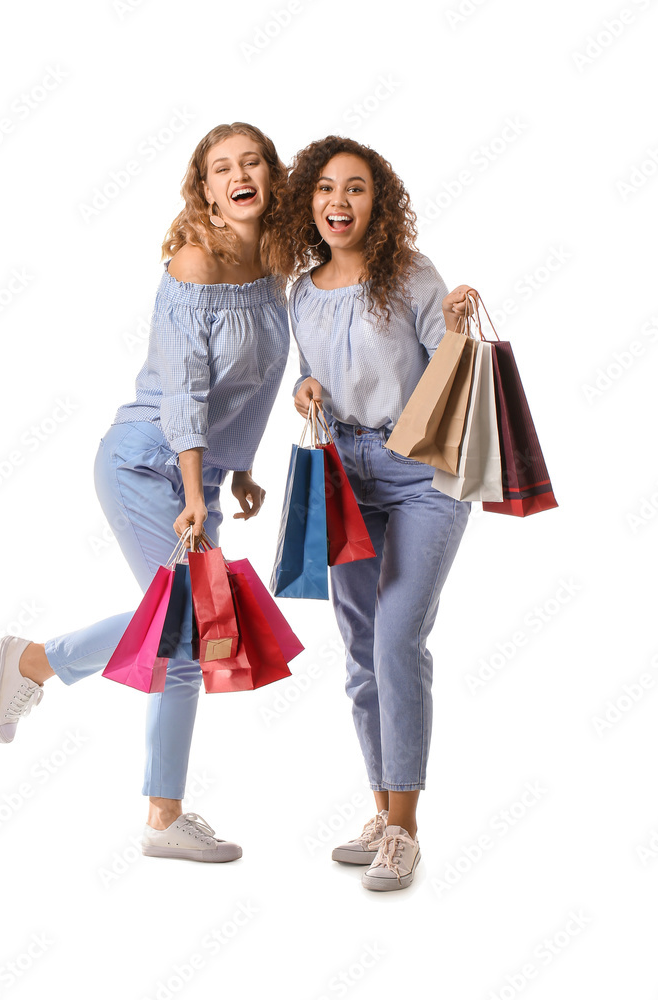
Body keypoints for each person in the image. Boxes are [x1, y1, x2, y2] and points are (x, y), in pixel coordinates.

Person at [0, 122, 289, 863]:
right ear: (207, 188)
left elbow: (249, 387)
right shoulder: (195, 261)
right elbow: (186, 393)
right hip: (147, 465)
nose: (239, 174)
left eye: (252, 162)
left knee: (186, 629)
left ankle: (36, 662)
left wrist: (237, 468)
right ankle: (161, 818)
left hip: (200, 475)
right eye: (222, 168)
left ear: (271, 178)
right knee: (188, 634)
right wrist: (195, 489)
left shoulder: (273, 262)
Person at [269, 135, 476, 892]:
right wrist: (304, 391)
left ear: (378, 203)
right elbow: (309, 373)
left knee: (396, 637)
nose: (339, 202)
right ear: (308, 203)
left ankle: (406, 831)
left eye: (356, 189)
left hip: (422, 473)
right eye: (326, 189)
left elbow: (450, 374)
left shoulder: (414, 277)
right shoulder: (302, 291)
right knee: (360, 648)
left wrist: (454, 326)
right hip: (344, 471)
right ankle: (383, 811)